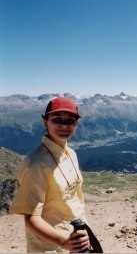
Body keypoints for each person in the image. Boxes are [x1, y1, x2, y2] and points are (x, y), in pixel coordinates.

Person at [10, 96, 94, 253]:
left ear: (76, 123)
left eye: (70, 120)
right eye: (57, 119)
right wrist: (63, 242)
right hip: (51, 246)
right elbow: (31, 218)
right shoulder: (35, 163)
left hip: (77, 237)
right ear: (45, 121)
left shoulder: (71, 154)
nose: (63, 125)